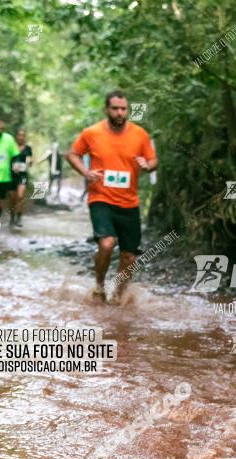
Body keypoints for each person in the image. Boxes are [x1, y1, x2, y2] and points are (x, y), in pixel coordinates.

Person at [66, 90, 157, 303]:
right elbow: (72, 154)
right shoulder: (92, 133)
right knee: (106, 244)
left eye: (123, 109)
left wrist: (148, 165)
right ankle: (99, 286)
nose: (119, 112)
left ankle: (117, 295)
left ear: (127, 110)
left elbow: (153, 161)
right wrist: (86, 172)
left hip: (129, 202)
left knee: (129, 256)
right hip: (101, 199)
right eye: (115, 108)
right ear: (106, 109)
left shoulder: (140, 134)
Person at [10, 129, 32, 227]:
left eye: (23, 135)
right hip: (11, 175)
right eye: (19, 135)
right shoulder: (11, 147)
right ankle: (12, 218)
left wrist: (28, 162)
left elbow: (29, 160)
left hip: (22, 175)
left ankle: (19, 218)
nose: (21, 137)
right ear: (16, 136)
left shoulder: (28, 148)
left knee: (20, 195)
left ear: (25, 137)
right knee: (12, 198)